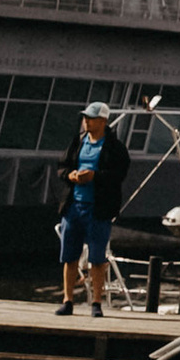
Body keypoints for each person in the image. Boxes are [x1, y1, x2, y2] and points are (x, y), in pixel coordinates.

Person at [54, 97, 130, 315]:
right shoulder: (78, 142)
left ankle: (96, 302)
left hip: (98, 209)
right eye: (85, 117)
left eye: (91, 118)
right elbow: (62, 166)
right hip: (73, 206)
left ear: (103, 121)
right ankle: (68, 300)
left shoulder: (115, 148)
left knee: (97, 258)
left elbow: (119, 174)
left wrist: (94, 176)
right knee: (69, 256)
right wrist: (71, 175)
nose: (86, 122)